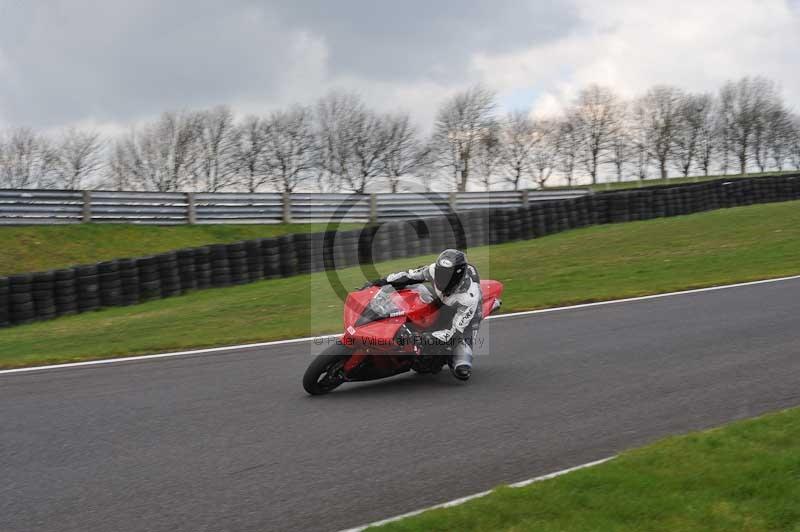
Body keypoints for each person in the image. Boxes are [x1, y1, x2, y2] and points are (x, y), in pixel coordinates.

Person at [369, 249, 482, 381]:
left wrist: (427, 337)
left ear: (456, 277)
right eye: (440, 273)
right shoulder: (433, 270)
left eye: (446, 276)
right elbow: (408, 275)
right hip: (443, 300)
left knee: (461, 368)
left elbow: (455, 332)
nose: (440, 277)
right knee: (416, 298)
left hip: (467, 315)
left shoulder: (469, 298)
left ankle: (447, 358)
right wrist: (380, 282)